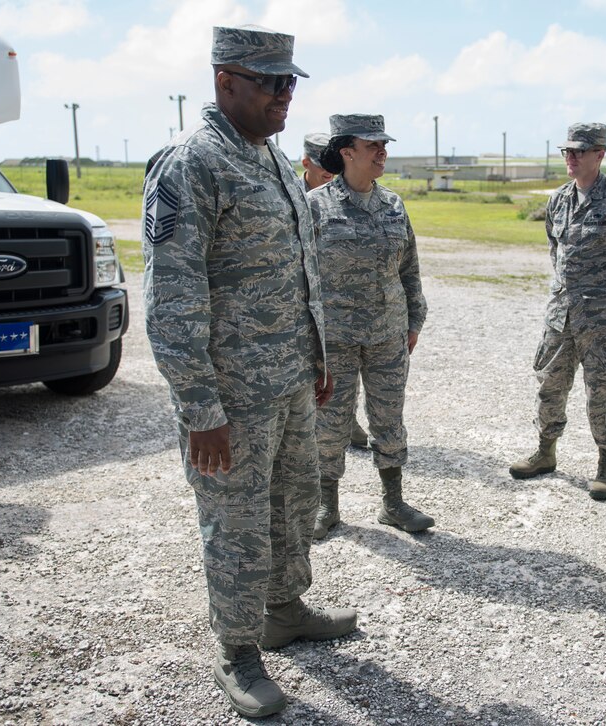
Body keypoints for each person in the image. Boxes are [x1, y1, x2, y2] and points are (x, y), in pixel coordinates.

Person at [142, 25, 357, 718]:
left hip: (290, 380)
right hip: (231, 398)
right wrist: (200, 409)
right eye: (270, 81)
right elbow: (173, 300)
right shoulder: (191, 163)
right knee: (235, 525)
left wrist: (316, 357)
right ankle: (237, 652)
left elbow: (298, 271)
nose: (285, 94)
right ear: (224, 79)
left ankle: (284, 610)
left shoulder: (266, 159)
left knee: (293, 504)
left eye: (291, 81)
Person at [509, 122, 606, 500]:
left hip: (603, 320)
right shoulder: (558, 200)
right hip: (562, 315)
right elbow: (556, 250)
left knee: (602, 391)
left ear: (599, 154)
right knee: (550, 384)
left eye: (579, 151)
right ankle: (545, 451)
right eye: (567, 151)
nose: (571, 158)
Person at [307, 113, 433, 538]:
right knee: (330, 424)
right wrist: (309, 338)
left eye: (385, 145)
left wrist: (414, 319)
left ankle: (393, 504)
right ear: (346, 152)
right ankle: (327, 506)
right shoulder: (315, 206)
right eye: (372, 145)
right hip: (335, 341)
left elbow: (410, 268)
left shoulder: (393, 204)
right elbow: (298, 276)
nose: (382, 152)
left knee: (389, 419)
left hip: (387, 336)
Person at [302, 131, 369, 449]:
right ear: (306, 163)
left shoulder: (345, 195)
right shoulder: (293, 196)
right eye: (323, 167)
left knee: (343, 366)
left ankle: (347, 419)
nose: (330, 173)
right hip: (305, 298)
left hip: (339, 300)